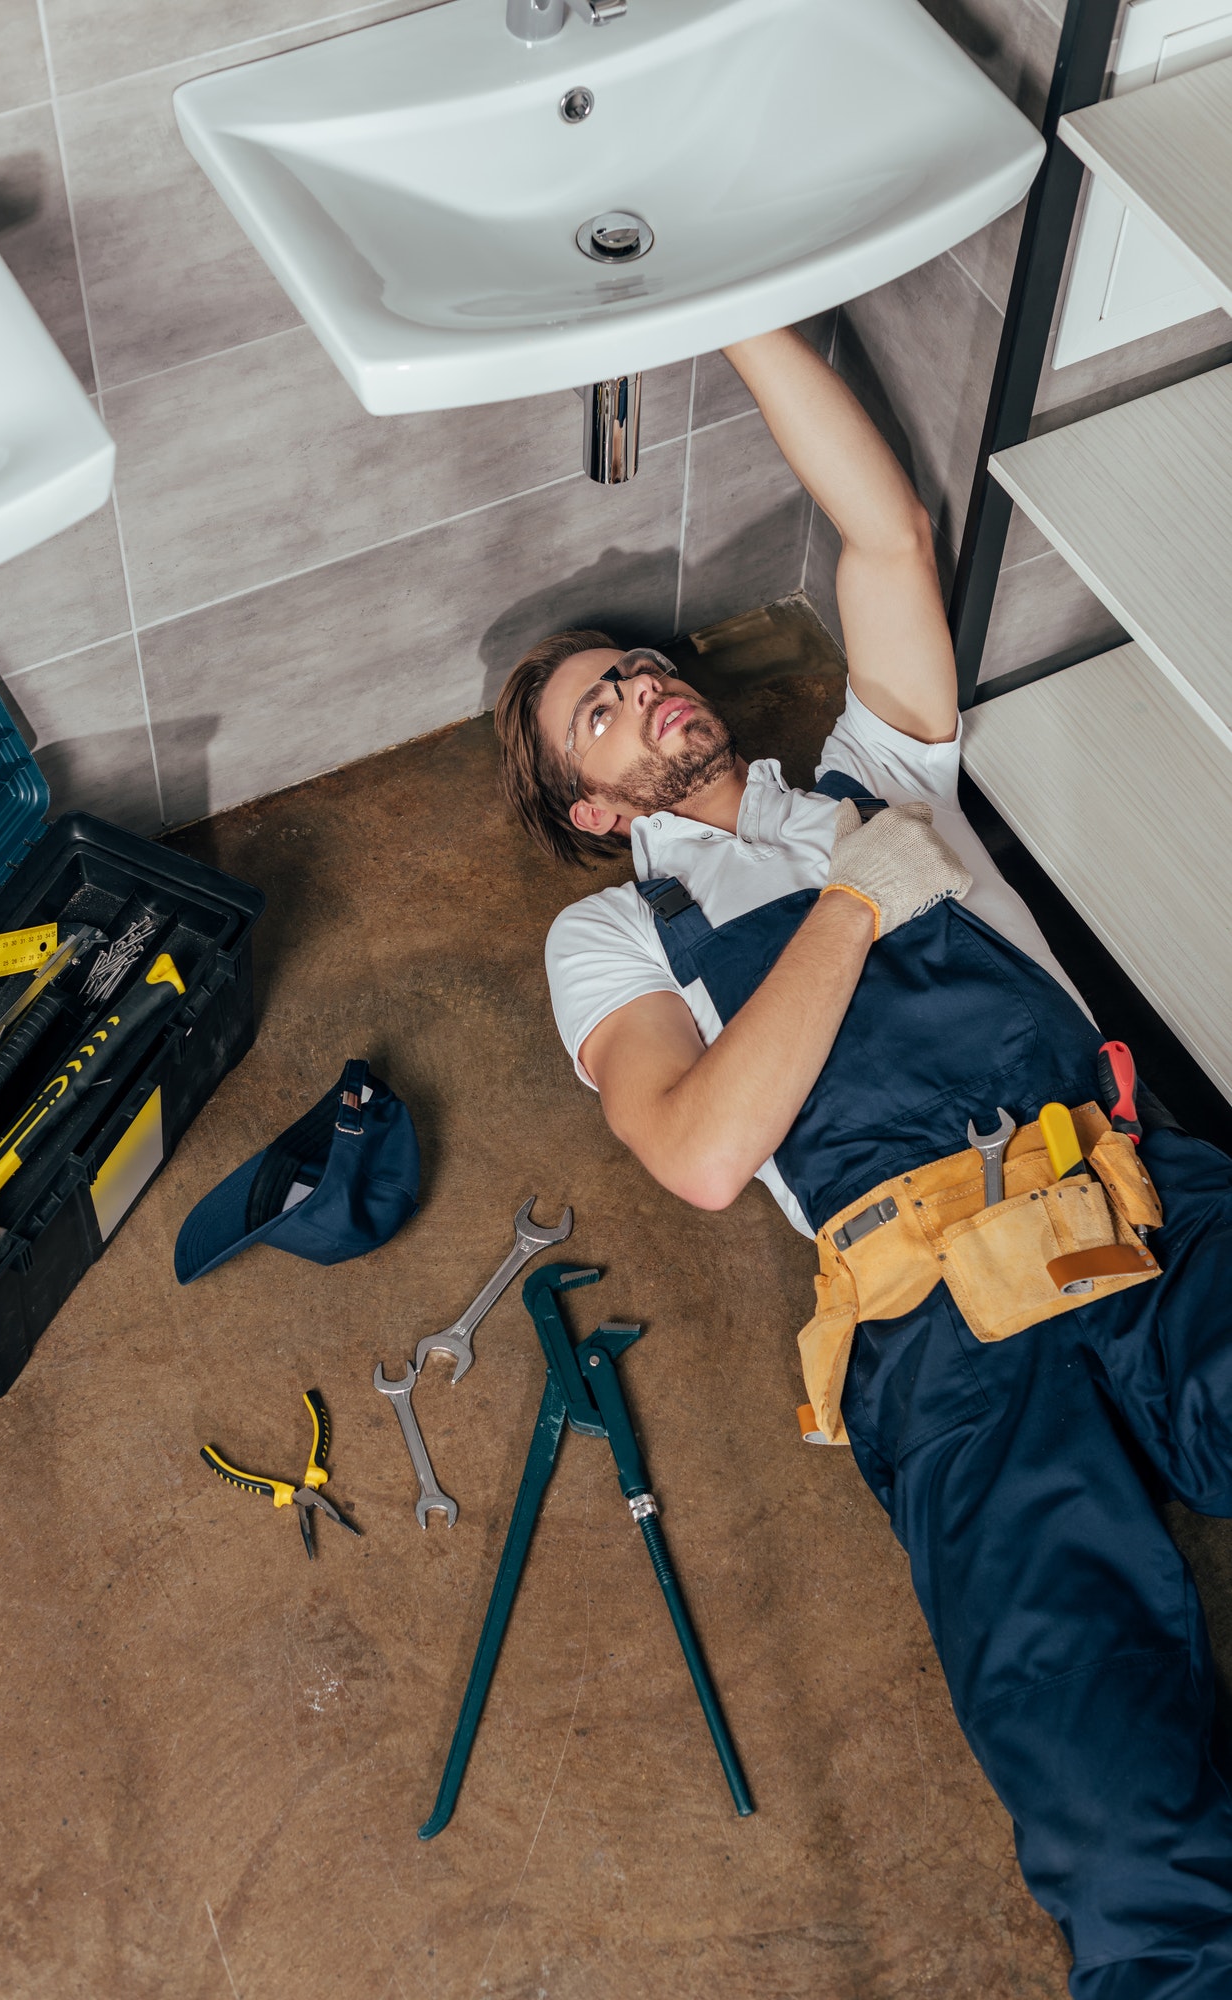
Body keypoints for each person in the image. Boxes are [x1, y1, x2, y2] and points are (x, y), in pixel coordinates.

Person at [493, 326, 1232, 1999]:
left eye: (636, 668)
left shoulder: (873, 778)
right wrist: (849, 907)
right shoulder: (613, 942)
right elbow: (699, 1146)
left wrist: (735, 296)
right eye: (596, 715)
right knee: (1116, 1812)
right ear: (594, 807)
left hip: (1119, 1191)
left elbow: (889, 538)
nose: (641, 693)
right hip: (936, 1341)